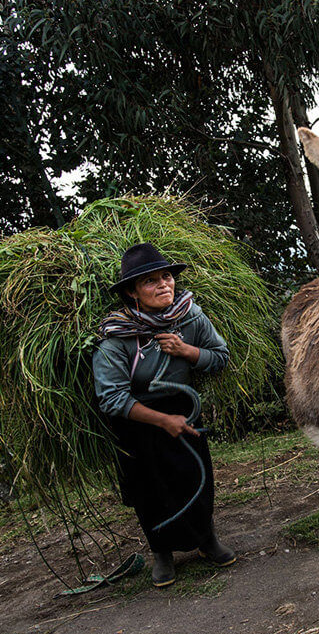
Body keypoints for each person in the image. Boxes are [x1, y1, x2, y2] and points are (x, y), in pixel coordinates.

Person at [92, 242, 235, 588]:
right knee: (150, 486)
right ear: (132, 292)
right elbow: (111, 398)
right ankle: (162, 553)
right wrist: (162, 421)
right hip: (137, 421)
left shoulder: (190, 316)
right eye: (150, 282)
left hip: (182, 408)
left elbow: (220, 356)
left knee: (195, 477)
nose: (163, 286)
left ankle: (206, 540)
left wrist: (187, 351)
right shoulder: (116, 336)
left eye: (166, 277)